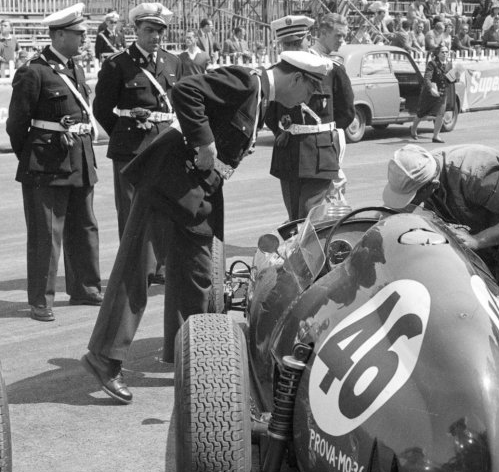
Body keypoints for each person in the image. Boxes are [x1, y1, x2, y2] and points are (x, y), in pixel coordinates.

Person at [81, 50, 332, 403]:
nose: (307, 99)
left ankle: (192, 357)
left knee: (196, 275)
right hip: (169, 182)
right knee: (137, 271)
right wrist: (204, 141)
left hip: (197, 192)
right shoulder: (245, 81)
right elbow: (185, 90)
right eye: (309, 90)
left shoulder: (259, 96)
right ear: (295, 79)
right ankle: (103, 358)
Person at [382, 144, 499, 336]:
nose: (411, 203)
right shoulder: (417, 170)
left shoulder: (475, 175)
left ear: (432, 186)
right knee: (485, 282)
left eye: (413, 197)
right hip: (494, 211)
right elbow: (398, 213)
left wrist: (477, 240)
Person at [6, 3, 102, 322]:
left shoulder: (73, 67)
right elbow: (17, 125)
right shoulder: (33, 71)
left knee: (84, 226)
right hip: (46, 164)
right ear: (59, 35)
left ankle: (85, 287)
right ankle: (40, 300)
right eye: (79, 34)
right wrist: (33, 157)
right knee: (47, 234)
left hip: (79, 159)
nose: (84, 38)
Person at [93, 2, 184, 284]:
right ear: (135, 30)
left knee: (164, 206)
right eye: (149, 30)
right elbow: (101, 108)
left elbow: (180, 104)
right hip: (131, 147)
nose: (155, 36)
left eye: (160, 31)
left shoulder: (172, 62)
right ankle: (134, 268)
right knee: (132, 210)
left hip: (166, 146)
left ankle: (162, 266)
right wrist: (123, 133)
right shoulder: (118, 63)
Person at [266, 13, 355, 222]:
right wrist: (323, 133)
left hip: (300, 150)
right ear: (307, 40)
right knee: (300, 215)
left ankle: (306, 252)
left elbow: (270, 116)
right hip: (309, 150)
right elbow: (347, 112)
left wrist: (287, 130)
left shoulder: (330, 70)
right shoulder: (329, 70)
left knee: (304, 214)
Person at [409, 43, 456, 143]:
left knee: (440, 114)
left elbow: (450, 80)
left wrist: (456, 77)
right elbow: (427, 78)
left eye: (446, 52)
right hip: (429, 94)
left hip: (442, 94)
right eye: (442, 52)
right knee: (421, 114)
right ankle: (413, 128)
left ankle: (436, 136)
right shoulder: (432, 64)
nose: (444, 54)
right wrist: (431, 89)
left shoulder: (449, 64)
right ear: (438, 54)